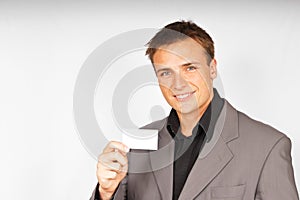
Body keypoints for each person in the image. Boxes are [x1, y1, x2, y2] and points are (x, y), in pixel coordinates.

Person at [90, 20, 299, 200]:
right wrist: (106, 193)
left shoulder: (268, 146)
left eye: (189, 68)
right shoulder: (137, 144)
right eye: (165, 73)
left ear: (212, 68)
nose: (178, 84)